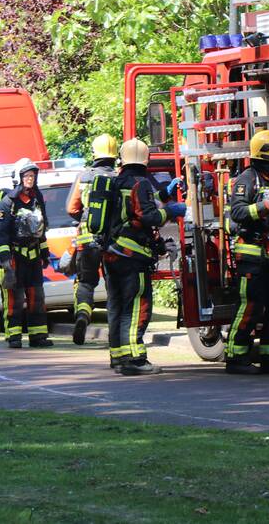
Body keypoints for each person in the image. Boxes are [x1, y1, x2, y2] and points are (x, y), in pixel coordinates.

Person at [104, 139, 187, 375]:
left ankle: (118, 357)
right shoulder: (138, 183)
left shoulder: (117, 182)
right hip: (132, 257)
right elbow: (148, 216)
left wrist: (163, 195)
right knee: (137, 307)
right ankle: (135, 359)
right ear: (146, 159)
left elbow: (132, 212)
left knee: (117, 307)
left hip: (112, 254)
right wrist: (172, 210)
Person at [225, 129, 269, 375]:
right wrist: (264, 205)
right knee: (251, 305)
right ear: (268, 154)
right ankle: (235, 356)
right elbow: (238, 212)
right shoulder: (247, 179)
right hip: (252, 253)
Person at [0, 158, 53, 348]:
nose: (30, 179)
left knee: (37, 297)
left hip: (33, 255)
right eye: (26, 176)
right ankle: (14, 336)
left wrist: (44, 254)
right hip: (14, 257)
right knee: (14, 299)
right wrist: (5, 261)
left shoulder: (38, 198)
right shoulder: (7, 202)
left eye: (32, 175)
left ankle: (38, 336)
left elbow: (41, 229)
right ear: (18, 178)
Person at [65, 133, 118, 345]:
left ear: (94, 153)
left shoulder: (84, 176)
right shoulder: (118, 177)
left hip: (87, 240)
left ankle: (82, 316)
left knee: (86, 283)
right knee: (114, 286)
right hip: (113, 241)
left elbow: (71, 208)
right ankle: (116, 332)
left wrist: (85, 219)